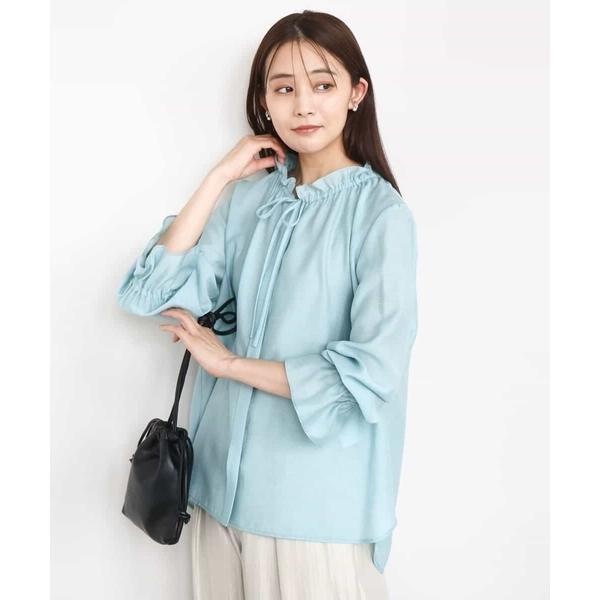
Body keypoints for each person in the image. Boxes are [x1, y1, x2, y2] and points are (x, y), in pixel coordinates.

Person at [117, 10, 418, 600]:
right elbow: (149, 292)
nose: (304, 105)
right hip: (217, 496)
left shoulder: (381, 216)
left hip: (313, 507)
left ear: (356, 93)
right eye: (284, 88)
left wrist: (229, 364)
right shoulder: (249, 201)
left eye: (323, 84)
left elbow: (371, 373)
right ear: (264, 100)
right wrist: (220, 177)